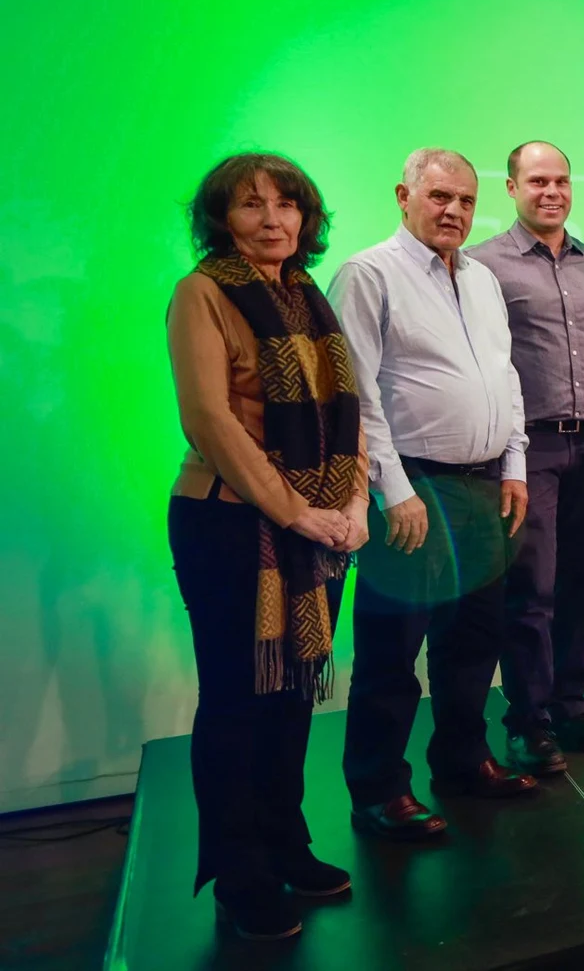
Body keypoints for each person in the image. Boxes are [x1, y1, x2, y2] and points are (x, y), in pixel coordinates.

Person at [167, 152, 367, 940]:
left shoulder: (310, 296)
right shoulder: (203, 293)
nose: (273, 219)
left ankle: (287, 839)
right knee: (237, 699)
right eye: (252, 206)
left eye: (287, 205)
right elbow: (210, 421)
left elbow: (346, 408)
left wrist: (352, 500)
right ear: (223, 218)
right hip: (231, 524)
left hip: (319, 524)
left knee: (292, 692)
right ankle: (240, 869)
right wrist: (295, 511)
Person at [332, 148, 536, 843]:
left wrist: (515, 463)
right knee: (393, 650)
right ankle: (379, 789)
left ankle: (460, 758)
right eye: (440, 195)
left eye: (466, 200)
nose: (454, 210)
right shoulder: (367, 273)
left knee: (473, 639)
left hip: (484, 484)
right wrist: (393, 489)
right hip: (412, 488)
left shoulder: (480, 277)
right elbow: (354, 393)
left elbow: (504, 375)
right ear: (404, 195)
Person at [466, 142, 584, 777]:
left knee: (582, 576)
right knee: (532, 586)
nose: (550, 191)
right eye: (536, 181)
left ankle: (570, 706)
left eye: (560, 180)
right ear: (511, 187)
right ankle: (528, 720)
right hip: (529, 446)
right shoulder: (481, 266)